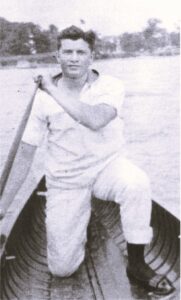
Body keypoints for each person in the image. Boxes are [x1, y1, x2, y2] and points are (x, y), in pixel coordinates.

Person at [0, 25, 173, 296]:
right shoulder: (41, 99)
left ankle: (137, 264)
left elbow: (95, 119)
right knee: (62, 268)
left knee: (136, 182)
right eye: (66, 52)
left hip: (106, 169)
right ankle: (78, 223)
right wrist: (2, 207)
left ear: (92, 56)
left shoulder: (110, 86)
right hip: (66, 180)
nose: (73, 58)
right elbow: (25, 154)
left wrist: (51, 89)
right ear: (57, 56)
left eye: (80, 52)